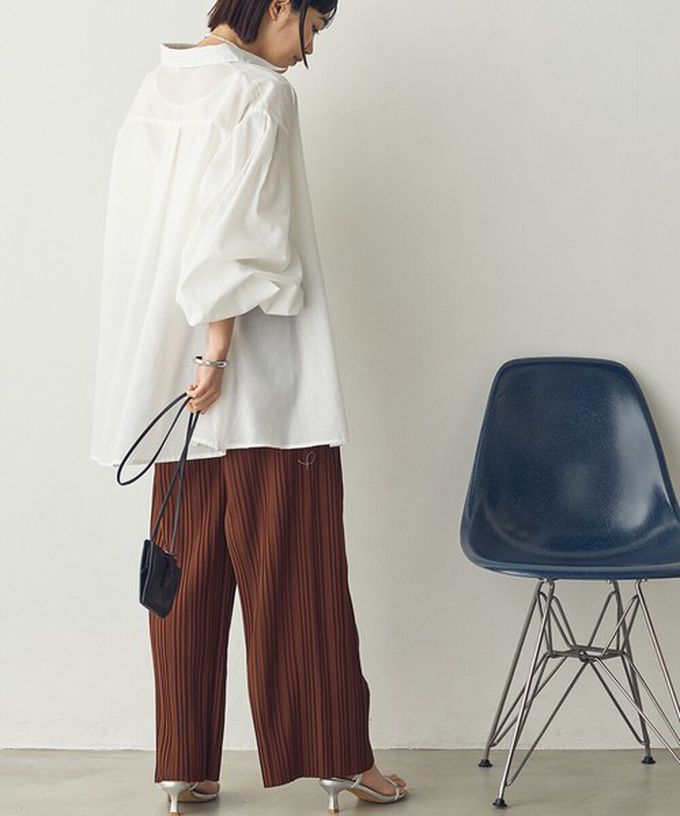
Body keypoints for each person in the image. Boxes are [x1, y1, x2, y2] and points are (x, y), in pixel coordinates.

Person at [90, 1, 409, 813]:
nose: (307, 53)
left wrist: (187, 361)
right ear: (279, 6)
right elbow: (233, 238)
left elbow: (143, 246)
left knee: (184, 580)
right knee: (301, 574)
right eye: (313, 29)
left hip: (176, 395)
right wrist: (218, 352)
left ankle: (184, 766)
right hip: (261, 386)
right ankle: (338, 757)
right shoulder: (260, 93)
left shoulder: (158, 87)